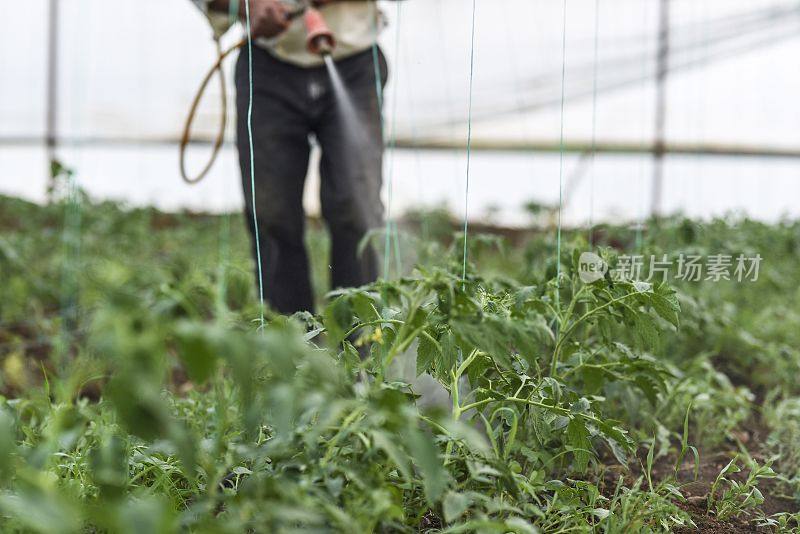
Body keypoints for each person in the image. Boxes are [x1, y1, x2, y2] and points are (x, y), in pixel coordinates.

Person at [190, 0, 395, 314]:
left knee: (358, 208)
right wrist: (248, 5)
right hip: (267, 65)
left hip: (355, 62)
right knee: (272, 215)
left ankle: (362, 348)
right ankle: (290, 348)